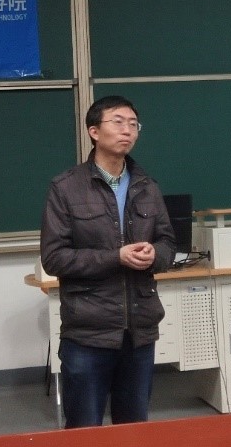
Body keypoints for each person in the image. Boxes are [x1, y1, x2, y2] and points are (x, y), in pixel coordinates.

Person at [40, 95, 177, 428]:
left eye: (133, 124)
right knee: (85, 430)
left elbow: (168, 245)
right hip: (88, 332)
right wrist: (116, 257)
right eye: (118, 122)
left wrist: (154, 255)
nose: (127, 130)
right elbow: (54, 258)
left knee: (134, 429)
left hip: (139, 331)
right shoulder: (66, 188)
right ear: (94, 131)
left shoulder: (147, 187)